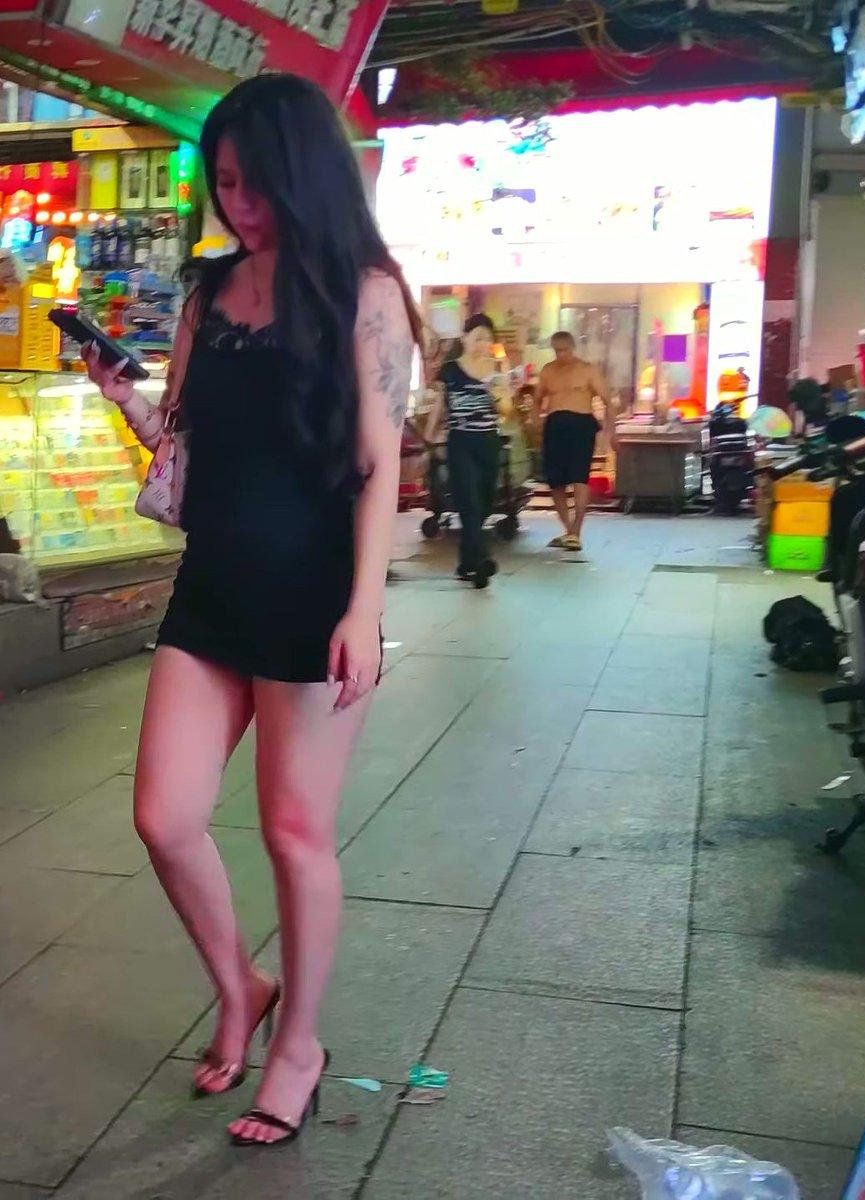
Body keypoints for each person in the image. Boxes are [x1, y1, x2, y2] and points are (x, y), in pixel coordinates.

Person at [81, 74, 418, 1148]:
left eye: (257, 185)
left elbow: (379, 463)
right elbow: (181, 444)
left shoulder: (365, 292)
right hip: (213, 586)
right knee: (165, 818)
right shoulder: (208, 292)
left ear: (304, 177)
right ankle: (242, 986)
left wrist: (363, 610)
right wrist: (126, 399)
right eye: (225, 184)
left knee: (293, 831)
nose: (240, 206)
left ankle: (299, 1045)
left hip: (314, 593)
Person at [424, 314, 502, 588]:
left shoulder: (497, 369)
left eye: (487, 339)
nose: (482, 344)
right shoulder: (450, 370)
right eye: (477, 337)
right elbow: (440, 407)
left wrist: (501, 391)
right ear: (464, 338)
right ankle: (482, 559)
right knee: (469, 501)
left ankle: (467, 563)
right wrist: (428, 440)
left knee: (484, 503)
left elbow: (506, 409)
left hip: (489, 441)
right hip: (460, 442)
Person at [536, 331, 610, 551]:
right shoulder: (548, 370)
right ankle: (569, 530)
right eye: (557, 351)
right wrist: (536, 423)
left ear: (572, 348)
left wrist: (610, 432)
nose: (561, 355)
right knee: (555, 481)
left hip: (581, 424)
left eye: (564, 350)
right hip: (554, 425)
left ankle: (577, 529)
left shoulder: (587, 369)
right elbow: (537, 399)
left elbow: (608, 401)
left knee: (579, 477)